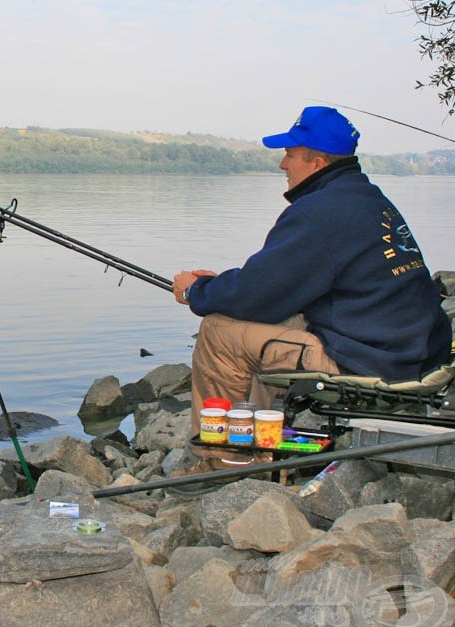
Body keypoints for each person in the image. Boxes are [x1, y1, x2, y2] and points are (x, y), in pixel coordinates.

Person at [172, 105, 452, 467]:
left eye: (290, 155)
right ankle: (259, 442)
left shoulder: (318, 213)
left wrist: (196, 290)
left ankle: (220, 461)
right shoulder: (368, 199)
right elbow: (275, 283)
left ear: (317, 164)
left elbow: (255, 295)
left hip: (372, 362)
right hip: (414, 351)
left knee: (218, 332)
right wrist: (218, 286)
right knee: (260, 320)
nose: (282, 166)